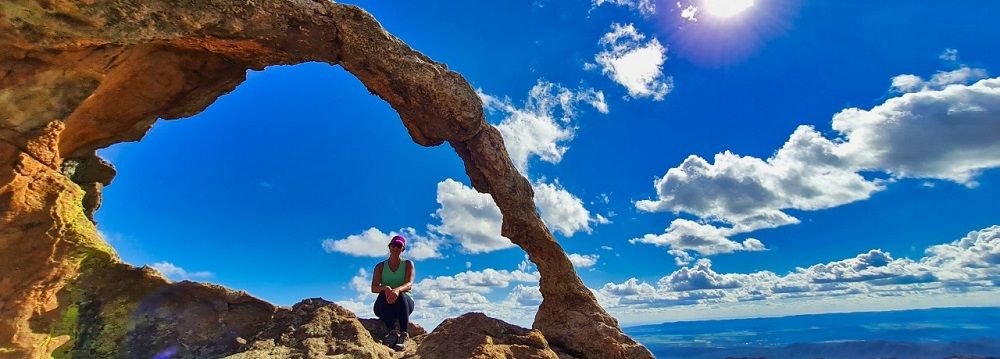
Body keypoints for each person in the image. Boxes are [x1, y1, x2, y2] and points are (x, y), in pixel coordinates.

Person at [371, 235, 415, 351]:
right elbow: (374, 288)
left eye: (399, 245)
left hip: (404, 304)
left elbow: (409, 284)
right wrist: (386, 288)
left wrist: (397, 290)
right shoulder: (380, 266)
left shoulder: (408, 264)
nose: (396, 248)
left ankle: (404, 334)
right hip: (386, 306)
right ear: (389, 247)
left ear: (403, 249)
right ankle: (392, 333)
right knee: (382, 294)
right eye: (393, 245)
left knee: (400, 294)